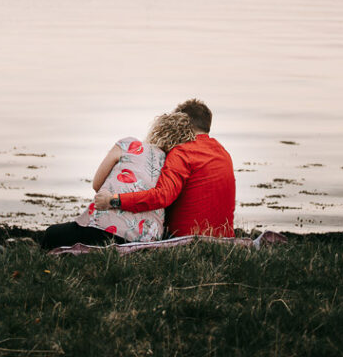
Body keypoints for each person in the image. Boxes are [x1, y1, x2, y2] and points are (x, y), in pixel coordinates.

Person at [39, 112, 197, 250]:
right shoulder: (173, 166)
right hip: (145, 242)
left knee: (51, 234)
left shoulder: (129, 144)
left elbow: (97, 184)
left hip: (103, 230)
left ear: (157, 130)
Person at [94, 99, 236, 237]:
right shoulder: (224, 154)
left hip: (188, 238)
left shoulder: (183, 152)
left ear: (181, 122)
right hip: (224, 236)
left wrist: (114, 200)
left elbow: (163, 196)